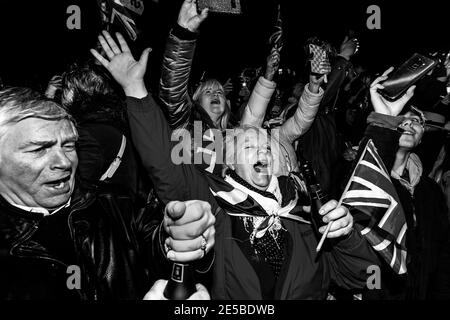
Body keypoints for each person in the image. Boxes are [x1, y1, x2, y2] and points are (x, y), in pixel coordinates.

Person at [91, 24, 381, 300]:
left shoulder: (304, 206)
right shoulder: (214, 203)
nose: (262, 152)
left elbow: (364, 277)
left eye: (267, 147)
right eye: (249, 145)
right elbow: (165, 163)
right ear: (228, 160)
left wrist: (346, 236)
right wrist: (135, 90)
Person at [0, 87, 214, 300]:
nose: (64, 162)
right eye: (39, 149)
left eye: (68, 145)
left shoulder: (115, 203)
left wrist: (184, 235)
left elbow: (159, 244)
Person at [359, 67, 450, 299]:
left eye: (416, 122)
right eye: (402, 119)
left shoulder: (430, 190)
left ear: (422, 137)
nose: (409, 124)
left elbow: (442, 248)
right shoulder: (374, 180)